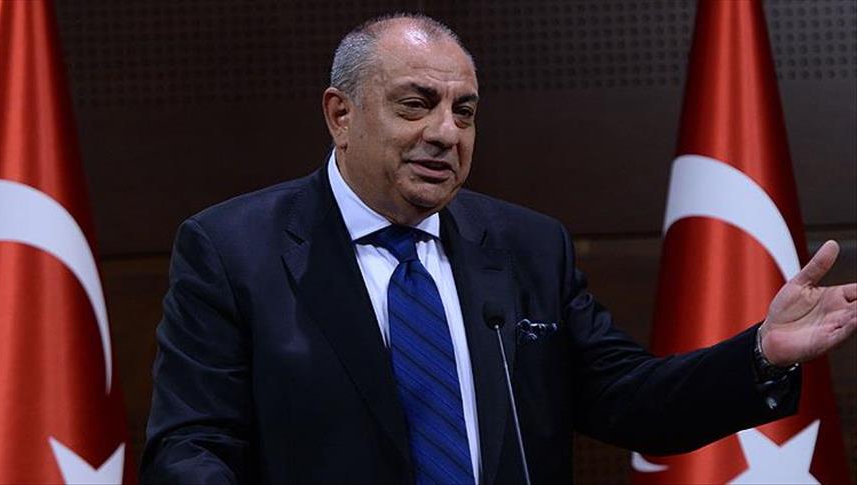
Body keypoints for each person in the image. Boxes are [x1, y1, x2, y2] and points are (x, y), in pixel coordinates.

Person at [141, 13, 857, 485]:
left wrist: (761, 352)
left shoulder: (526, 247)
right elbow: (190, 448)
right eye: (416, 104)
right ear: (341, 115)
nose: (445, 133)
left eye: (465, 111)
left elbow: (630, 399)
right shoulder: (234, 249)